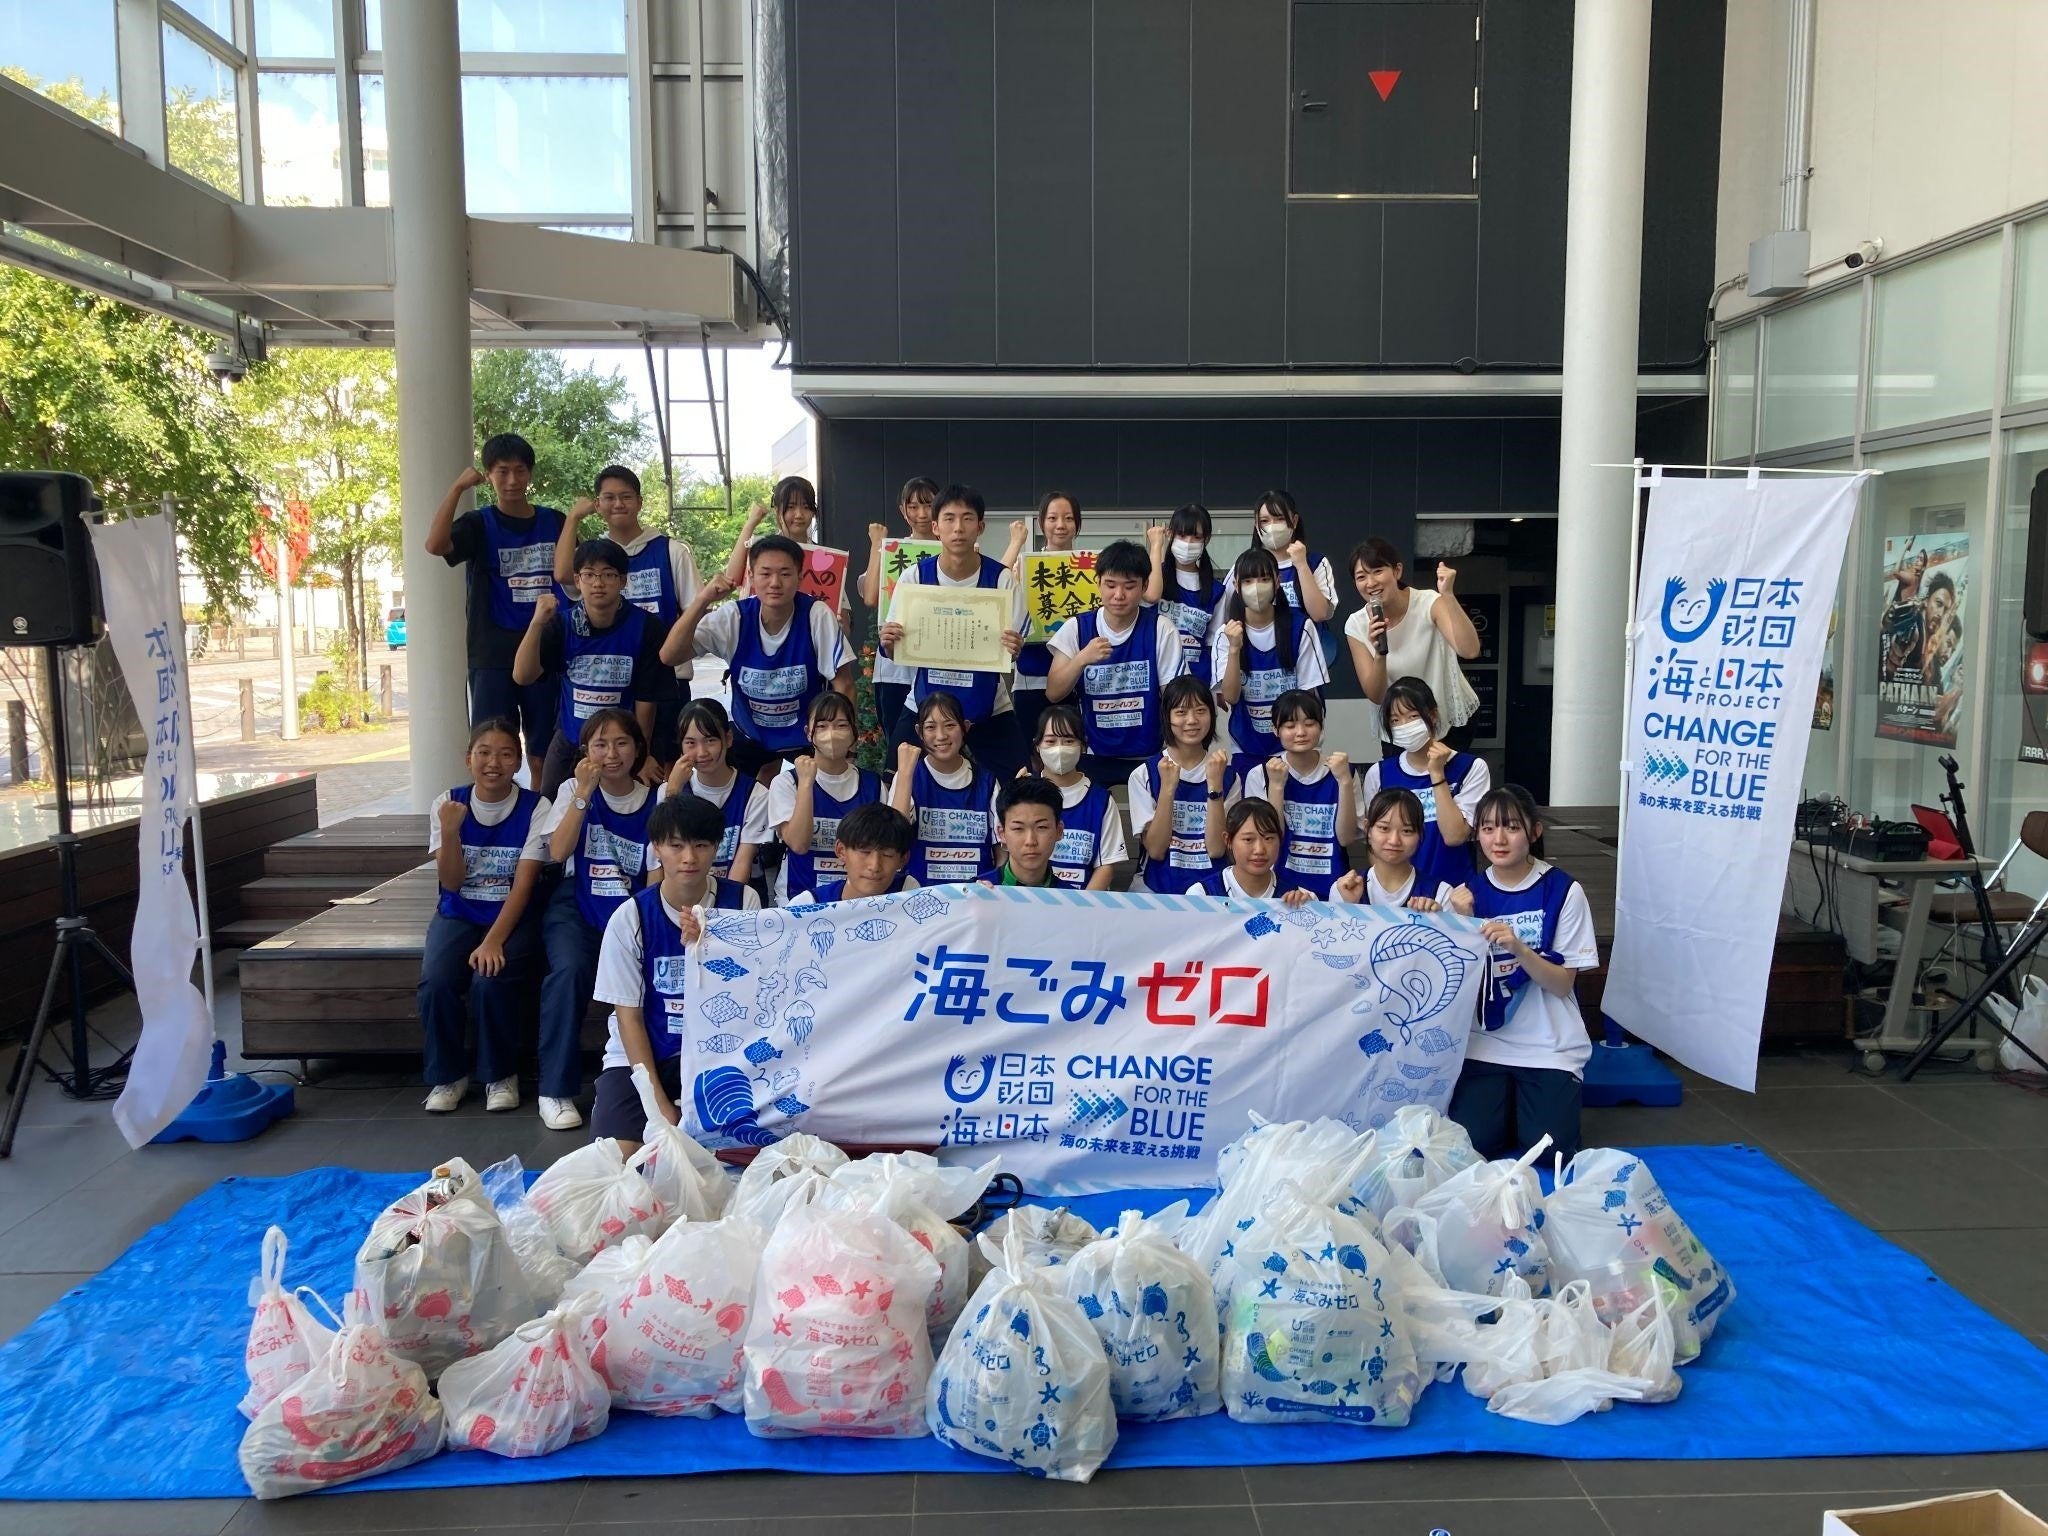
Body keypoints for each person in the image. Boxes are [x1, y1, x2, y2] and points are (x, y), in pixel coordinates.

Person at [587, 794, 758, 1155]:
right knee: (618, 1158)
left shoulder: (745, 903)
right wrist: (658, 1105)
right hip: (640, 1058)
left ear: (717, 847)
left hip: (721, 1055)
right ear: (656, 848)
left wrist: (711, 947)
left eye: (701, 845)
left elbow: (755, 995)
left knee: (739, 1157)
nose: (689, 858)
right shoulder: (630, 917)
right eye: (676, 846)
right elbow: (628, 1018)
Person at [1445, 786, 1599, 1163]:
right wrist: (1462, 924)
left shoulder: (1564, 891)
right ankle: (1508, 1106)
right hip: (1485, 1043)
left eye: (1511, 827)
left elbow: (1562, 984)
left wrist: (1520, 949)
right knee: (1474, 1145)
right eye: (1488, 828)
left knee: (1549, 1151)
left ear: (1534, 831)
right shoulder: (1466, 896)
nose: (1498, 839)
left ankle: (1532, 1104)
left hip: (1548, 1045)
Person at [531, 708, 656, 1132]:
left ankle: (651, 1080)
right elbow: (558, 851)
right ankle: (554, 1090)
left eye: (621, 743)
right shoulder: (572, 788)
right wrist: (584, 792)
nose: (611, 754)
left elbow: (657, 875)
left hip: (633, 907)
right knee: (568, 971)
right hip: (577, 902)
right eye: (600, 745)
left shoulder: (655, 799)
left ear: (638, 749)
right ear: (586, 751)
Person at [418, 719, 549, 1115]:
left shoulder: (536, 807)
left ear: (519, 762)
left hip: (512, 915)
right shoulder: (448, 803)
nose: (494, 763)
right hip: (458, 911)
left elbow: (524, 885)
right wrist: (450, 833)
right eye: (484, 753)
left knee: (490, 979)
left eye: (506, 754)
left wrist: (493, 940)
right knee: (436, 981)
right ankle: (448, 1076)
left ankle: (500, 1075)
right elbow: (451, 883)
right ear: (468, 759)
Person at [424, 433, 567, 784]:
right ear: (489, 475)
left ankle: (540, 814)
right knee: (493, 749)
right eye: (502, 471)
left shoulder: (555, 522)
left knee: (542, 752)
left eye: (520, 470)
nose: (512, 480)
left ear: (530, 473)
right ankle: (496, 814)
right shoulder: (478, 524)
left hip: (547, 651)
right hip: (492, 653)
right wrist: (457, 488)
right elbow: (435, 545)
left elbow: (572, 574)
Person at [663, 533, 854, 780]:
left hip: (807, 732)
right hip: (750, 732)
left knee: (822, 790)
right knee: (729, 788)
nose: (775, 582)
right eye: (765, 573)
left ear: (800, 577)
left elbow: (844, 684)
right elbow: (669, 656)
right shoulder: (734, 617)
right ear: (751, 577)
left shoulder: (816, 614)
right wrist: (702, 599)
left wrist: (845, 744)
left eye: (785, 573)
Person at [881, 484, 1030, 782]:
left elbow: (1013, 651)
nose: (958, 528)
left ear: (980, 527)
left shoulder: (1001, 579)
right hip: (924, 702)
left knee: (1021, 783)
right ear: (936, 527)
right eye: (949, 518)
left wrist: (1016, 647)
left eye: (967, 518)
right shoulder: (914, 577)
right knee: (893, 780)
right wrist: (888, 641)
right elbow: (893, 651)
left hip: (989, 705)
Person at [552, 465, 700, 763]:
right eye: (609, 497)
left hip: (664, 678)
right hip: (609, 681)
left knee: (663, 766)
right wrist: (573, 518)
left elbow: (696, 608)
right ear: (598, 504)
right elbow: (563, 575)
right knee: (606, 766)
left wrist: (676, 652)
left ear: (640, 502)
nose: (618, 504)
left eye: (626, 496)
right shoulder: (593, 555)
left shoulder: (671, 550)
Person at [514, 538, 674, 798]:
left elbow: (647, 700)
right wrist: (536, 623)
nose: (598, 583)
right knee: (549, 803)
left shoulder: (647, 627)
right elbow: (522, 675)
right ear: (577, 580)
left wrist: (641, 754)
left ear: (623, 581)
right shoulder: (561, 624)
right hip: (571, 739)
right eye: (589, 575)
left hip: (624, 745)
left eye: (608, 574)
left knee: (644, 803)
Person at [1045, 537, 1185, 784]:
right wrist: (1081, 659)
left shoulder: (1161, 628)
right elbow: (1053, 692)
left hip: (1150, 752)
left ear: (1144, 586)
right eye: (1110, 585)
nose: (1119, 595)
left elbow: (1175, 697)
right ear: (1098, 582)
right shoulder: (1076, 627)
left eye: (1129, 586)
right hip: (1093, 752)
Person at [1357, 676, 1489, 891]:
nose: (1404, 726)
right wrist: (1387, 892)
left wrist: (1437, 773)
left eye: (1413, 716)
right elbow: (1375, 845)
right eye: (1395, 720)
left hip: (1454, 892)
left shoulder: (1471, 768)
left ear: (1433, 715)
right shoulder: (1379, 774)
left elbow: (1455, 836)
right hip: (1400, 894)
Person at [1345, 538, 1481, 747]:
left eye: (1378, 571)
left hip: (1446, 715)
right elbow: (1376, 695)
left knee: (1447, 769)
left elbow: (1469, 650)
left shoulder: (1429, 602)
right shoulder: (1356, 624)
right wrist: (1380, 653)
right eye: (1361, 576)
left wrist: (1448, 596)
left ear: (1397, 571)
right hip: (1400, 726)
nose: (1370, 583)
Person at [1213, 546, 1329, 780]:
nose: (1256, 588)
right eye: (1248, 581)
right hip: (1246, 746)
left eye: (1264, 579)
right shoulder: (1226, 633)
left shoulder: (1301, 627)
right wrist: (1234, 649)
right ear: (1236, 586)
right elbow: (1231, 697)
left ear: (1277, 582)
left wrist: (1302, 738)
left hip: (1294, 748)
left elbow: (1309, 695)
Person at [769, 691, 884, 904]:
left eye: (841, 725)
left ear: (853, 732)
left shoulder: (873, 785)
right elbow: (798, 844)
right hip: (799, 898)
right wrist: (806, 784)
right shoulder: (787, 782)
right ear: (808, 732)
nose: (831, 734)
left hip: (857, 899)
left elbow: (885, 847)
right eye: (822, 726)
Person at [1129, 675, 1236, 894]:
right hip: (1156, 889)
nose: (1192, 720)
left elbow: (1216, 850)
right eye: (1181, 712)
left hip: (1213, 892)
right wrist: (1168, 790)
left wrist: (1215, 786)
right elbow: (1156, 850)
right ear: (1166, 717)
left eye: (1200, 711)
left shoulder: (1228, 775)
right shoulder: (1144, 774)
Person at [1247, 690, 1354, 900]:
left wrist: (1344, 782)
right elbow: (1269, 838)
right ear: (1275, 729)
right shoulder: (1261, 774)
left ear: (1321, 726)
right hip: (1280, 890)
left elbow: (1346, 837)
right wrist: (1276, 787)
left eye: (1310, 723)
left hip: (1334, 887)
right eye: (1290, 726)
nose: (1301, 732)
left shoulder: (1342, 771)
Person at [890, 690, 1000, 885]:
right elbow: (893, 839)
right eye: (930, 727)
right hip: (919, 894)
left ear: (965, 728)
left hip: (976, 895)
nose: (941, 736)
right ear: (919, 732)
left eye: (950, 725)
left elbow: (1002, 849)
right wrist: (905, 775)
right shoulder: (908, 776)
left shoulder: (987, 782)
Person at [659, 699, 771, 889]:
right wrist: (673, 793)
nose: (701, 752)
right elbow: (663, 855)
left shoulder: (756, 794)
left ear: (728, 739)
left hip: (737, 896)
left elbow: (742, 865)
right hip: (684, 894)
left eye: (710, 740)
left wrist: (713, 904)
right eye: (690, 743)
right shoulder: (671, 790)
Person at [860, 475, 941, 736]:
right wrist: (877, 546)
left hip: (938, 663)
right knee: (898, 743)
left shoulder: (955, 554)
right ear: (903, 511)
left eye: (928, 505)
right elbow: (870, 597)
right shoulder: (894, 551)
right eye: (913, 506)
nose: (922, 514)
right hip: (895, 670)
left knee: (941, 740)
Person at [1024, 704, 1128, 890]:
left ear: (1083, 745)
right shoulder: (1023, 793)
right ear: (1037, 745)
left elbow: (1106, 867)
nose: (1059, 749)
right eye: (1050, 741)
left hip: (1086, 901)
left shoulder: (1101, 801)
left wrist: (1081, 906)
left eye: (1069, 740)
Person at [1011, 490, 1082, 742]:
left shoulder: (1092, 567)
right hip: (1032, 677)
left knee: (1074, 749)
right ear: (1041, 523)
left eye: (1068, 518)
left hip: (1078, 678)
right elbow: (994, 596)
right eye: (1052, 518)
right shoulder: (1024, 566)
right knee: (1032, 751)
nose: (1060, 525)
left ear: (1078, 524)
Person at [1144, 504, 1224, 689]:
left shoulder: (1216, 590)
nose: (1188, 543)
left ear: (1207, 539)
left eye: (1196, 537)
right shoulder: (1155, 579)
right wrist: (1156, 546)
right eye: (1181, 535)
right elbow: (1152, 595)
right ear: (1170, 534)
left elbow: (1215, 643)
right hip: (1154, 677)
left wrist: (1216, 688)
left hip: (1196, 682)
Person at [1234, 490, 1337, 629]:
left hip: (1306, 640)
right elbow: (1232, 613)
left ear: (1294, 521)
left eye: (1280, 519)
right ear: (1256, 526)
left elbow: (1319, 614)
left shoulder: (1316, 562)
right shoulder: (1244, 566)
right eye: (1264, 521)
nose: (1272, 526)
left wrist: (1302, 566)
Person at [786, 802, 918, 905]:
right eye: (865, 851)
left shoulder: (909, 892)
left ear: (903, 859)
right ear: (841, 851)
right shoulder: (808, 904)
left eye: (887, 854)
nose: (874, 866)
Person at [1353, 786, 1456, 910]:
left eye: (1406, 831)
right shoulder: (1345, 889)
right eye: (1384, 828)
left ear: (1420, 834)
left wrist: (1438, 918)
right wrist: (1348, 904)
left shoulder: (1441, 894)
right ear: (1368, 829)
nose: (1394, 841)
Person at [1193, 797, 1298, 900]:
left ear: (1280, 839)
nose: (1259, 850)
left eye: (1268, 838)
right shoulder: (1201, 895)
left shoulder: (1298, 899)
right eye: (1248, 839)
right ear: (1228, 840)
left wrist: (1304, 906)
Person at [986, 776, 1065, 888]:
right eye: (1018, 828)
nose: (1030, 841)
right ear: (1001, 833)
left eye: (1041, 827)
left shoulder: (1075, 897)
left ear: (1059, 831)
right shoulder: (976, 892)